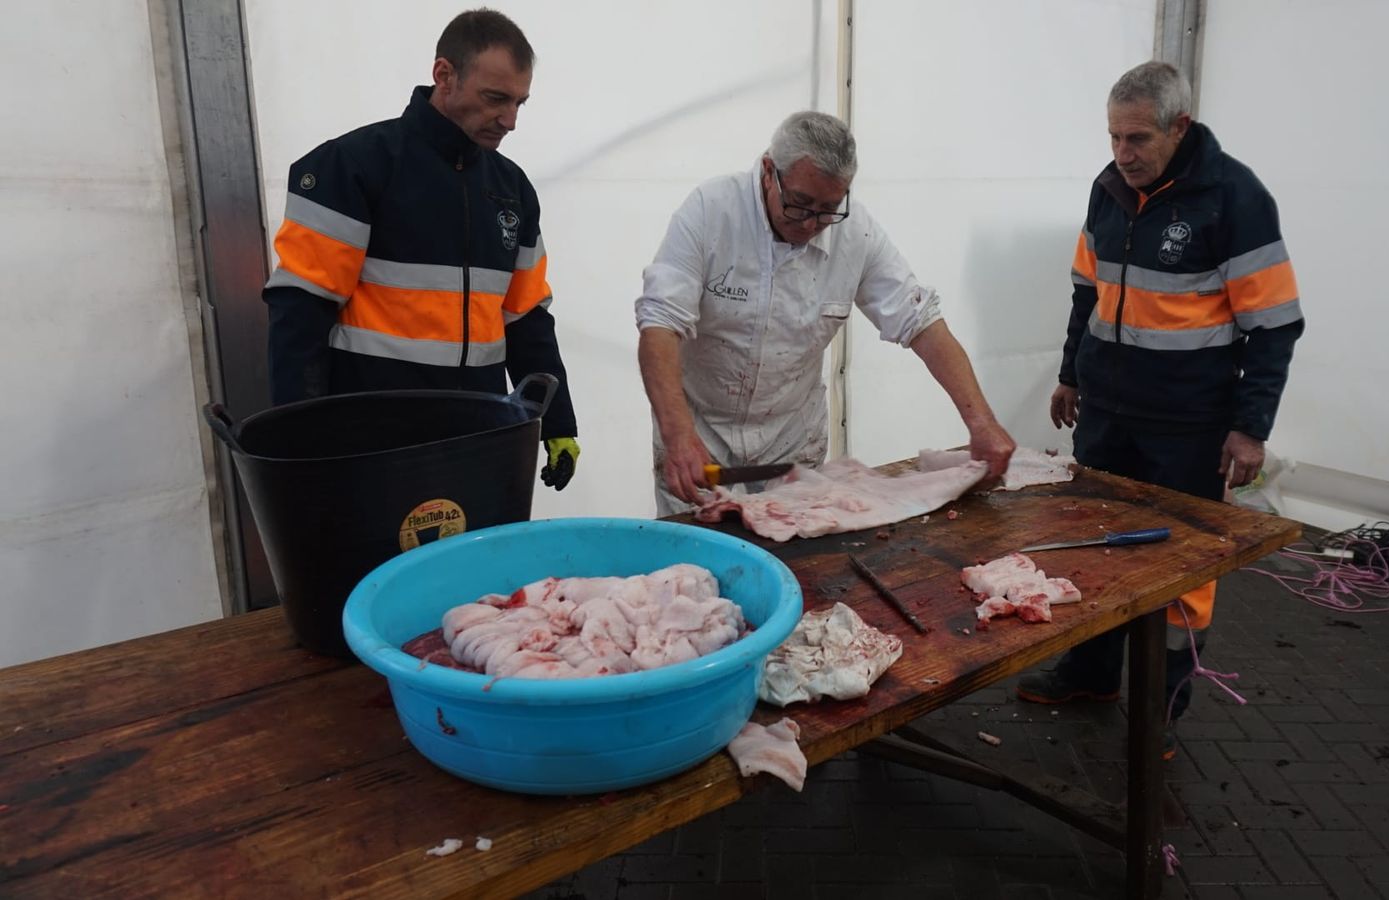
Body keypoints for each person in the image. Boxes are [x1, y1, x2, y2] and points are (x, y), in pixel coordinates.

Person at [1019, 62, 1305, 757]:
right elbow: (1087, 292)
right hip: (1108, 413)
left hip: (1188, 423)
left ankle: (1163, 707)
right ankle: (1089, 674)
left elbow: (1273, 323)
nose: (1124, 153)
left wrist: (1249, 428)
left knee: (1180, 569)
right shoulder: (1109, 189)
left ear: (1180, 127)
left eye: (1139, 138)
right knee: (1095, 547)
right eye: (1115, 137)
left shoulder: (1235, 196)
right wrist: (1068, 375)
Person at [634, 112, 1016, 515]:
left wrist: (982, 423)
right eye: (800, 204)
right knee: (699, 566)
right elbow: (659, 326)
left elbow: (921, 323)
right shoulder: (710, 212)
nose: (814, 222)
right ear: (769, 172)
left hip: (792, 442)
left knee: (800, 561)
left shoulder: (857, 232)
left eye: (829, 208)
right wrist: (678, 434)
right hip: (699, 435)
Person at [261, 8, 579, 490]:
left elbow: (527, 319)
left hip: (481, 438)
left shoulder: (511, 188)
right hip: (373, 444)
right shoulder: (352, 166)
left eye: (520, 103)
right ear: (444, 75)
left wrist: (558, 424)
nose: (510, 120)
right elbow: (300, 314)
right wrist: (299, 438)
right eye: (496, 99)